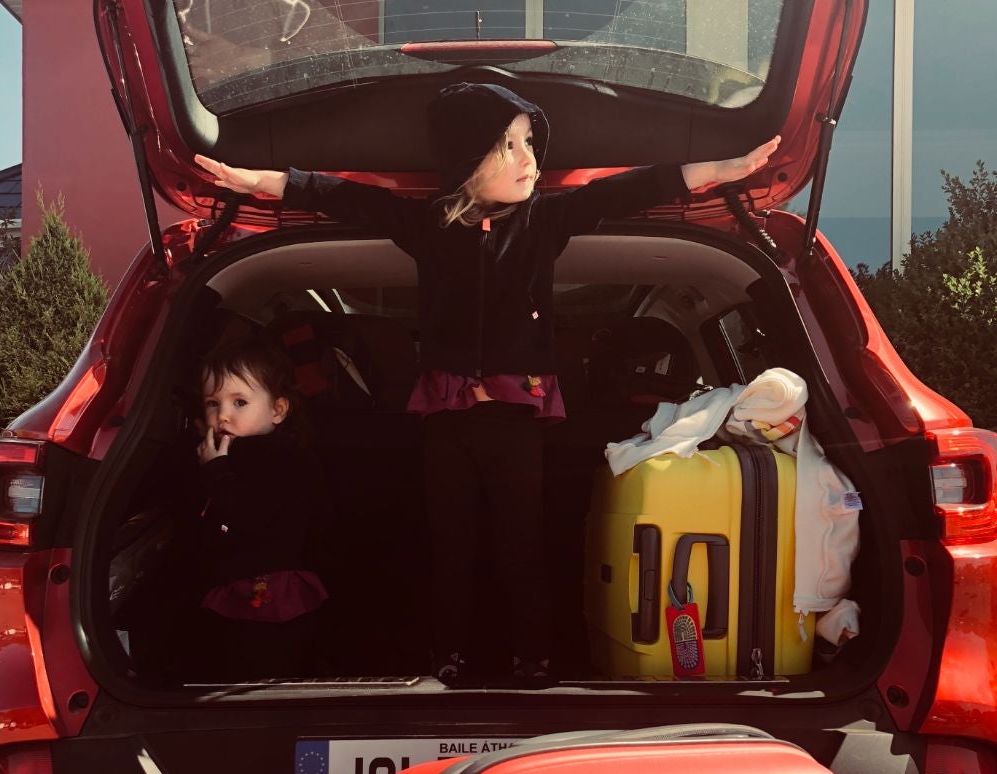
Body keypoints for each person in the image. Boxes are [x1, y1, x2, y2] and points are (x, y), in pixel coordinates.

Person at [195, 82, 779, 685]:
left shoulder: (543, 222)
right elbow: (342, 197)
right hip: (446, 424)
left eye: (530, 143)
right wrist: (257, 182)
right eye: (510, 146)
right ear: (468, 157)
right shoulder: (427, 227)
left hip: (513, 426)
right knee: (450, 548)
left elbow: (627, 189)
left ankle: (535, 657)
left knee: (521, 547)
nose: (530, 159)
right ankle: (445, 655)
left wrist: (718, 169)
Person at [189, 339, 331, 681]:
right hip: (247, 589)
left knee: (260, 671)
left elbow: (248, 518)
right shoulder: (240, 455)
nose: (223, 415)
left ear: (277, 411)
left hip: (268, 594)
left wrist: (216, 471)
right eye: (212, 403)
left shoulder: (277, 459)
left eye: (239, 402)